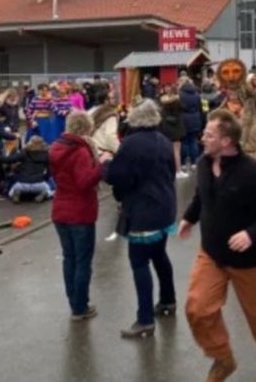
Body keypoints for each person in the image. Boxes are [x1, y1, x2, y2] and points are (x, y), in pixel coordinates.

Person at [179, 109, 256, 382]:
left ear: (227, 141)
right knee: (197, 307)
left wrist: (252, 234)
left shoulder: (253, 173)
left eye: (209, 134)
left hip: (248, 260)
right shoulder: (204, 163)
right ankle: (223, 358)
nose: (202, 137)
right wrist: (189, 218)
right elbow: (202, 195)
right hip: (212, 253)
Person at [103, 99, 177, 338]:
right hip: (165, 206)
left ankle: (145, 318)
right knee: (159, 255)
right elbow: (172, 171)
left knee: (139, 262)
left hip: (144, 210)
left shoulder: (131, 144)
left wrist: (105, 164)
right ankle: (168, 300)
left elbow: (116, 176)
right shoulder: (164, 140)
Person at [49, 111, 103, 322]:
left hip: (60, 209)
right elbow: (85, 181)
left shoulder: (56, 147)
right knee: (82, 261)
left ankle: (74, 302)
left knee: (69, 258)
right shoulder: (81, 151)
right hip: (80, 212)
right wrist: (100, 166)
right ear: (86, 128)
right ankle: (80, 307)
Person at [5, 135, 54, 203]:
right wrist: (44, 178)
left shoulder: (24, 153)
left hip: (22, 183)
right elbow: (49, 171)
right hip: (39, 183)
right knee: (50, 191)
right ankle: (45, 194)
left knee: (10, 191)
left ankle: (16, 193)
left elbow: (9, 160)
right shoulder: (46, 155)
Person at [158, 83, 186, 178]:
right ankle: (178, 170)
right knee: (177, 150)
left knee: (167, 150)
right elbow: (182, 109)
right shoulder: (178, 102)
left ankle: (168, 170)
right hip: (176, 128)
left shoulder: (163, 101)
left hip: (166, 127)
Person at [179, 76, 203, 173]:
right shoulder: (197, 94)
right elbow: (201, 108)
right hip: (196, 119)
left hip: (184, 120)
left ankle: (184, 164)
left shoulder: (180, 94)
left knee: (184, 142)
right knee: (193, 141)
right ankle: (194, 163)